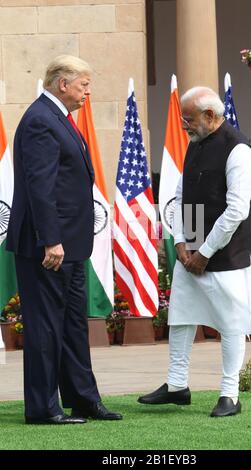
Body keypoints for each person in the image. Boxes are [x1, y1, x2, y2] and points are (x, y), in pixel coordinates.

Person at [6, 55, 122, 425]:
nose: (88, 91)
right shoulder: (41, 120)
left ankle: (83, 399)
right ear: (62, 84)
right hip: (47, 247)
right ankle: (42, 407)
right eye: (84, 84)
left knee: (72, 324)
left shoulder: (58, 118)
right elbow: (41, 187)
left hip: (69, 245)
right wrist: (50, 240)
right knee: (45, 327)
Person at [138, 86, 251, 417]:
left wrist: (204, 252)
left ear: (210, 116)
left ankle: (230, 395)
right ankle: (177, 386)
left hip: (227, 255)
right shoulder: (194, 145)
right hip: (191, 250)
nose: (183, 124)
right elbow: (182, 195)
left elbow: (236, 210)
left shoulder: (238, 150)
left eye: (188, 118)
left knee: (231, 323)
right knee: (181, 316)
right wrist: (181, 242)